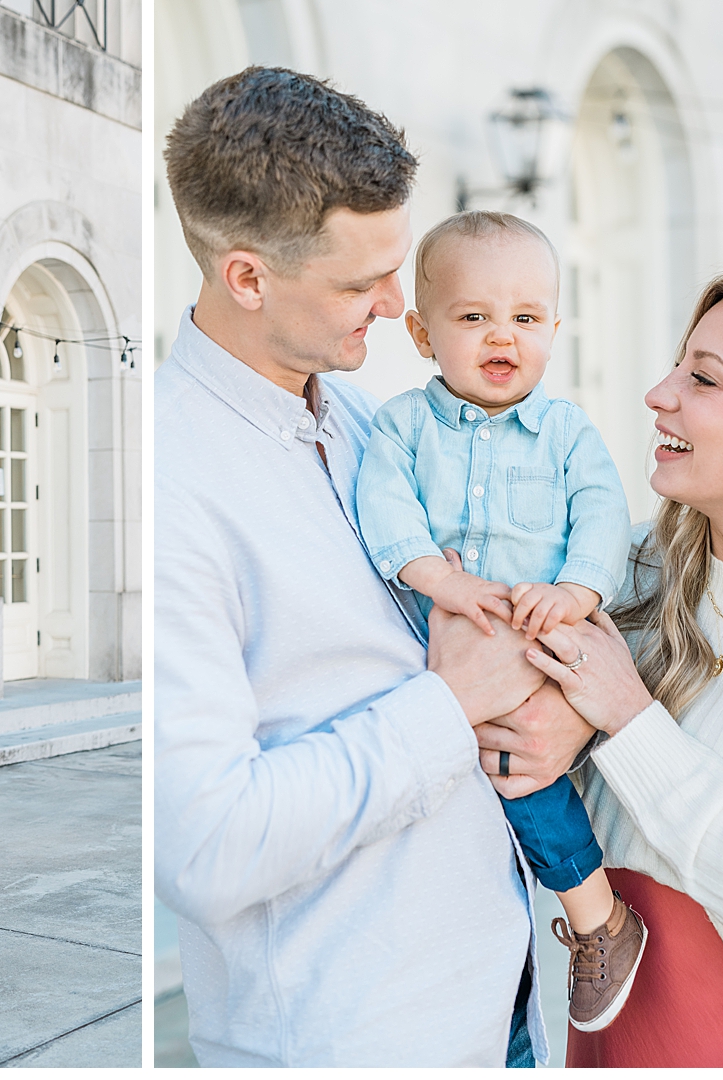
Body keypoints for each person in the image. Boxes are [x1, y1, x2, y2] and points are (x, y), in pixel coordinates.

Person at [155, 66, 552, 1067]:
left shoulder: (370, 424)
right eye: (358, 282)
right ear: (247, 277)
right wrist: (449, 706)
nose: (393, 304)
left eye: (396, 266)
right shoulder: (170, 484)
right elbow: (205, 846)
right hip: (359, 1039)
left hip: (506, 1009)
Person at [479, 274, 723, 1065]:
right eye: (678, 366)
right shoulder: (623, 575)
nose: (659, 395)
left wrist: (628, 719)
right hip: (606, 1030)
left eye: (702, 378)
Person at [354, 210, 642, 1032]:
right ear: (422, 333)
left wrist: (578, 592)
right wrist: (436, 575)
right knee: (454, 801)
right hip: (449, 650)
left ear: (553, 329)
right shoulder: (402, 424)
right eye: (473, 316)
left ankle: (600, 919)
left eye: (525, 317)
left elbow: (601, 514)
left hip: (539, 644)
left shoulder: (565, 432)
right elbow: (384, 502)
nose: (501, 336)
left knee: (528, 781)